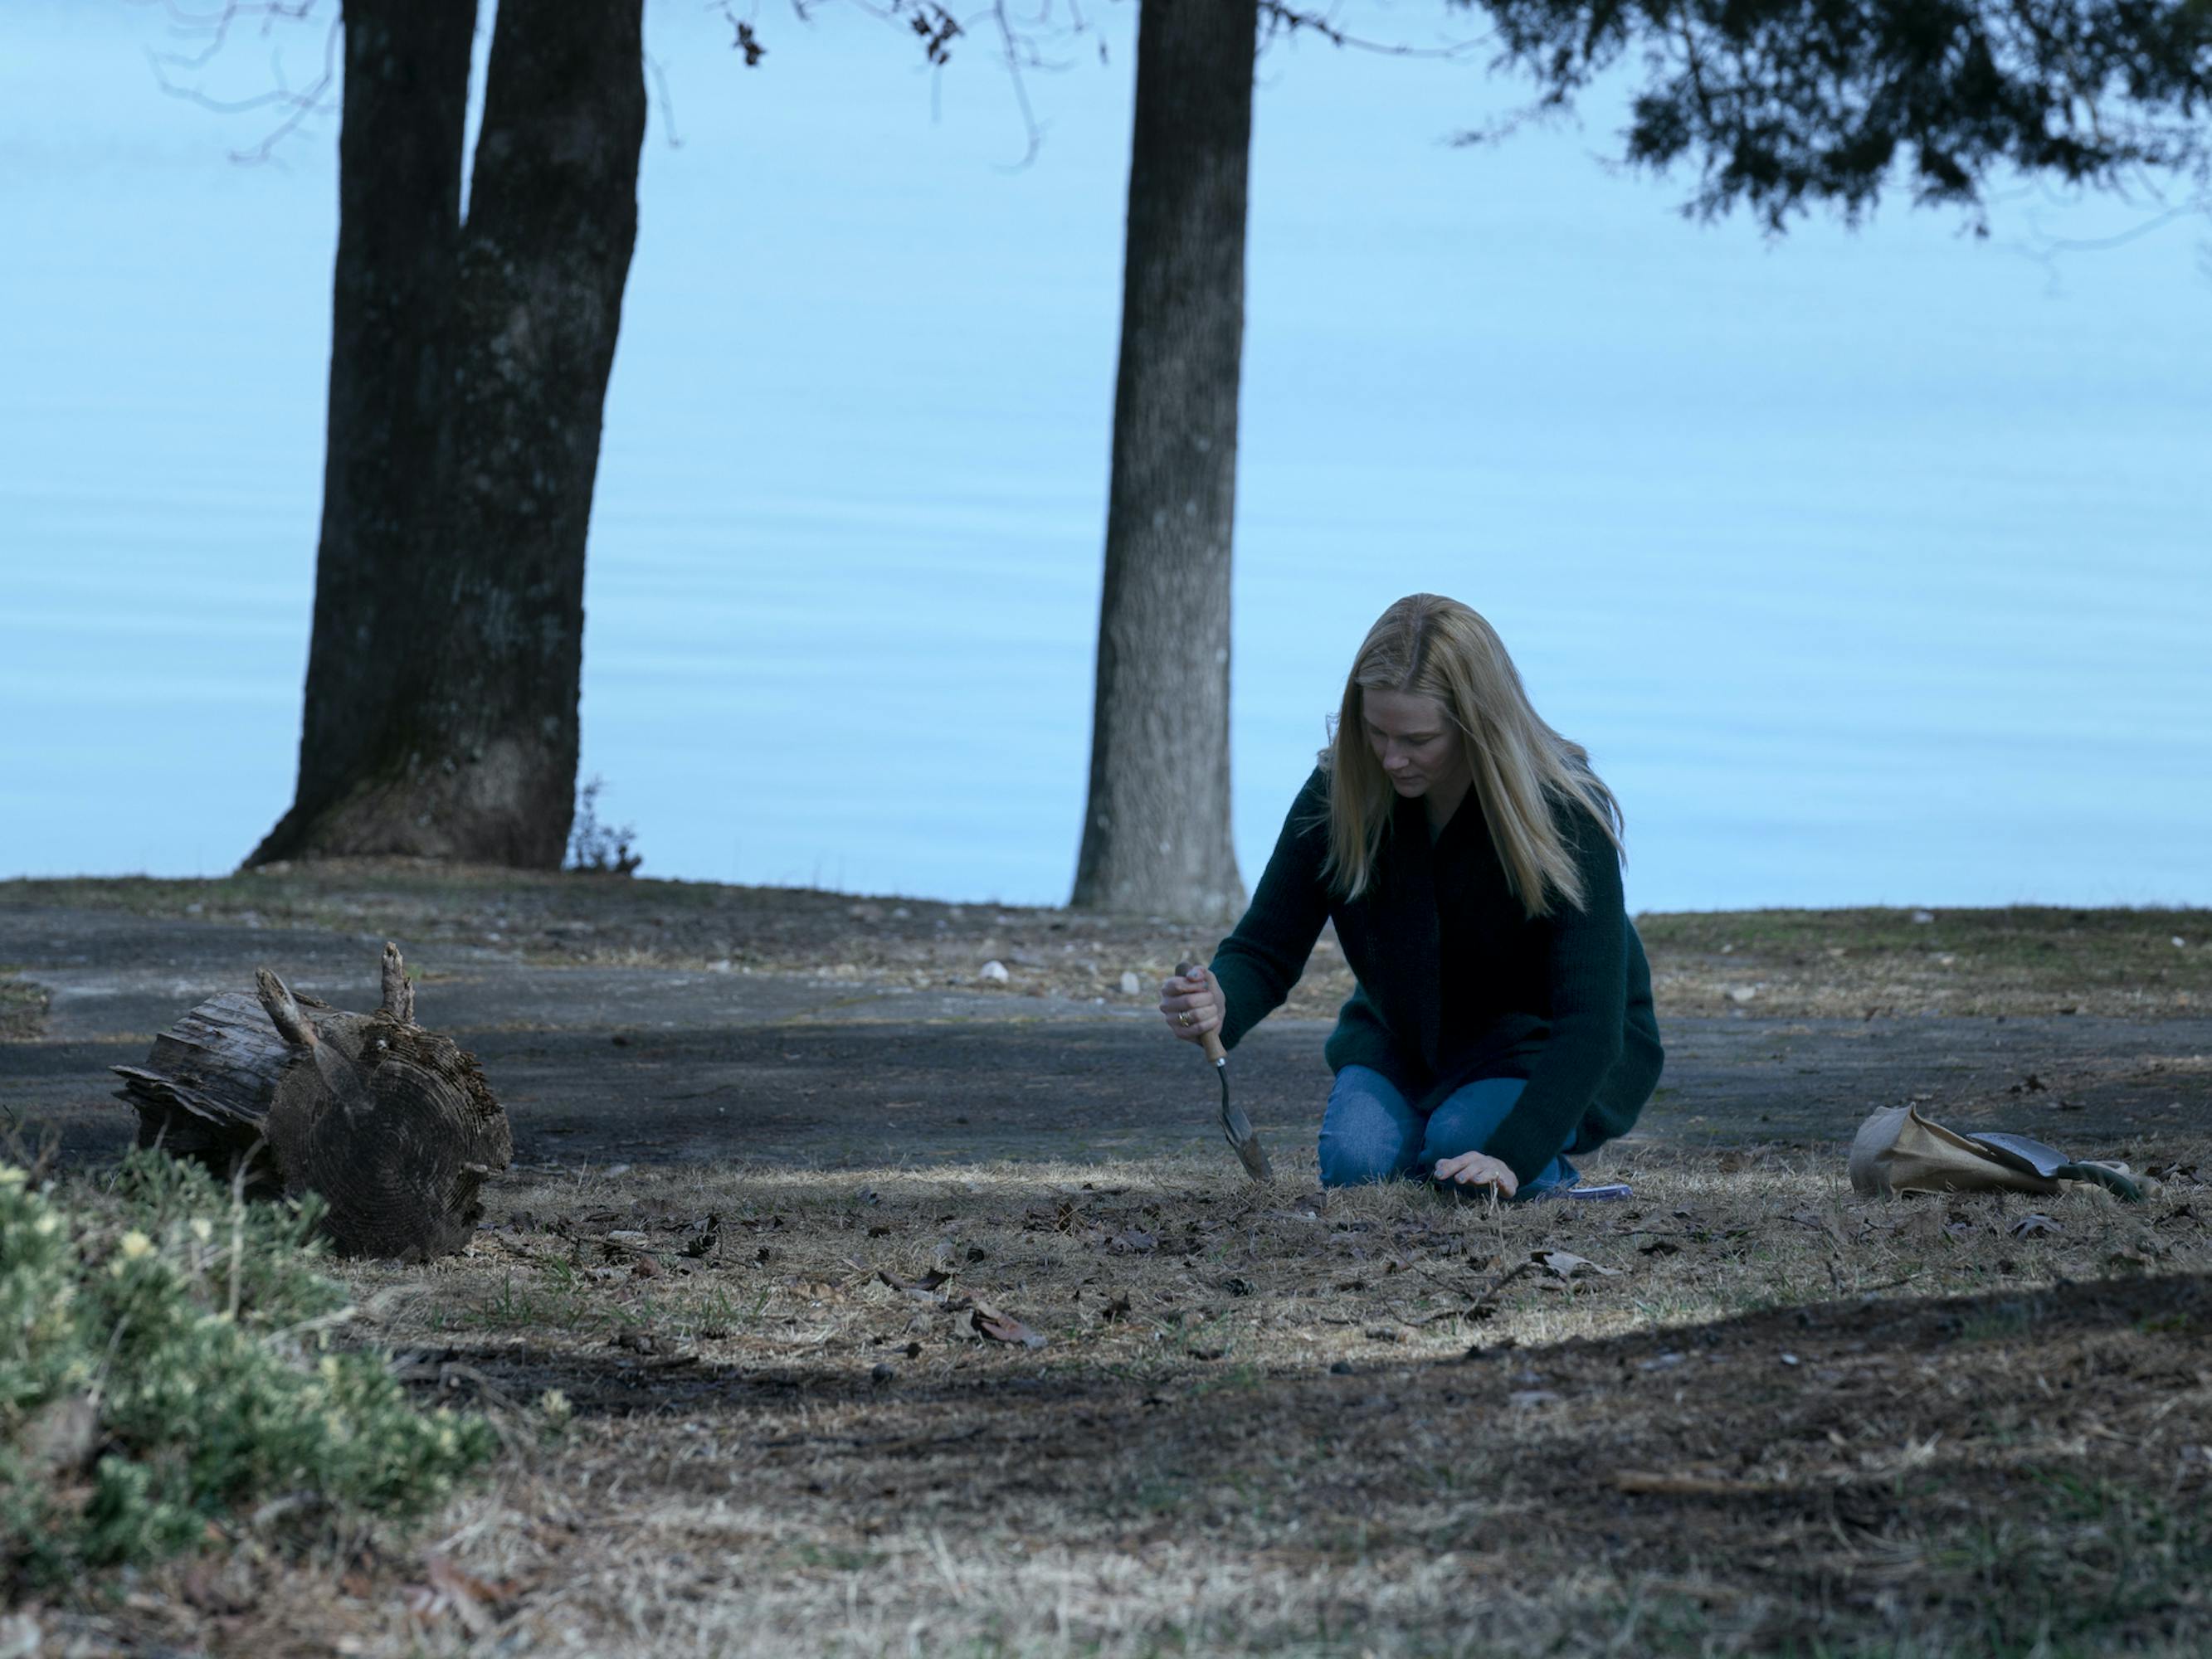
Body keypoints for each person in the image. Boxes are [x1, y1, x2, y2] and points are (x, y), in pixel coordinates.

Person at [1158, 594, 1663, 1197]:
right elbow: (1264, 950)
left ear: (1478, 725)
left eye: (1418, 740)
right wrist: (1220, 999)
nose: (1392, 758)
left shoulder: (1562, 812)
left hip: (1538, 1045)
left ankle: (1555, 1179)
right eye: (1376, 732)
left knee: (1464, 1155)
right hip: (1404, 1041)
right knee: (1355, 1165)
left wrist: (1513, 1156)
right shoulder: (1338, 792)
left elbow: (1590, 1024)